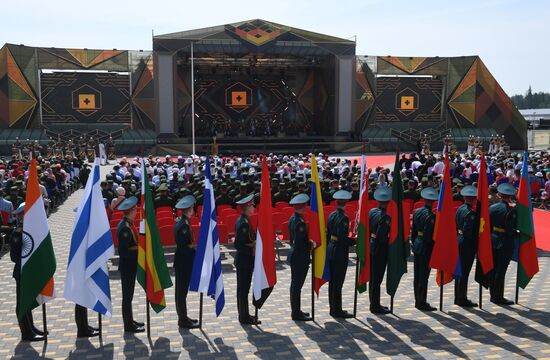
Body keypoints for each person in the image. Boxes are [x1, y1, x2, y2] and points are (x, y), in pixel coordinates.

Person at [10, 203, 46, 341]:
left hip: (29, 271)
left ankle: (31, 327)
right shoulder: (18, 232)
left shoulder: (30, 230)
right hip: (22, 271)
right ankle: (26, 332)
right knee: (22, 302)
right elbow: (14, 256)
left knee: (28, 300)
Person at [116, 196, 145, 332]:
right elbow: (125, 251)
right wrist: (139, 254)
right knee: (127, 296)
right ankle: (128, 325)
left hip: (130, 266)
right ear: (130, 212)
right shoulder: (125, 228)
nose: (136, 212)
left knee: (129, 296)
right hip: (128, 266)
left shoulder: (129, 224)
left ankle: (130, 320)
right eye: (134, 210)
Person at [327, 190, 355, 318]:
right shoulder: (343, 218)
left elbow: (329, 235)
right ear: (346, 203)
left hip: (331, 249)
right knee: (338, 281)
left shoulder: (332, 215)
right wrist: (354, 241)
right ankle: (337, 309)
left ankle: (333, 307)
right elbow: (342, 238)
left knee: (332, 281)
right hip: (339, 251)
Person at [489, 183, 518, 305]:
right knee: (501, 270)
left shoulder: (493, 208)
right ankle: (498, 297)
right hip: (505, 241)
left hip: (493, 239)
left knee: (493, 268)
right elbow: (511, 229)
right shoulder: (511, 211)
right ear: (510, 196)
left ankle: (492, 294)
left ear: (500, 195)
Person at [288, 194, 315, 321]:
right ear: (302, 207)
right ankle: (296, 312)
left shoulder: (293, 218)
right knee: (297, 285)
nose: (306, 208)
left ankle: (296, 310)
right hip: (300, 256)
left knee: (295, 284)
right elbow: (300, 242)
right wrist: (311, 245)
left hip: (295, 254)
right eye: (305, 206)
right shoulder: (300, 222)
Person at [174, 195, 199, 328]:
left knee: (182, 292)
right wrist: (195, 253)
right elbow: (184, 246)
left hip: (184, 260)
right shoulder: (183, 224)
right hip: (184, 261)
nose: (193, 209)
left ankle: (183, 317)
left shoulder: (184, 221)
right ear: (188, 209)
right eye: (192, 208)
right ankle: (182, 320)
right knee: (181, 292)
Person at [234, 195, 260, 325]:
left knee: (244, 289)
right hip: (244, 260)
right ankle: (243, 316)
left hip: (246, 260)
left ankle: (244, 314)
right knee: (243, 289)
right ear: (247, 207)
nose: (254, 208)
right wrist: (252, 247)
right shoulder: (243, 223)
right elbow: (238, 245)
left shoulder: (245, 220)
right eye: (252, 205)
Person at [411, 187, 438, 311]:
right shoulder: (431, 216)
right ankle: (422, 302)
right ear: (433, 201)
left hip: (417, 244)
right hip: (425, 247)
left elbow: (414, 232)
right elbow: (428, 236)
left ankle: (417, 299)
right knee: (423, 276)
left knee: (417, 275)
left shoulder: (417, 211)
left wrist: (414, 242)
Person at [454, 185, 479, 307]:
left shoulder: (460, 209)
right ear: (474, 199)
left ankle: (458, 296)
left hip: (459, 240)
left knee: (460, 270)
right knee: (464, 271)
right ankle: (461, 298)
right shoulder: (470, 213)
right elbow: (468, 232)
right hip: (466, 243)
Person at [368, 186, 392, 314]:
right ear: (388, 202)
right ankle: (375, 305)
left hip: (371, 246)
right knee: (377, 278)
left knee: (372, 277)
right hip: (380, 249)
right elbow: (382, 237)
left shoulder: (372, 211)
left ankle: (373, 302)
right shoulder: (385, 217)